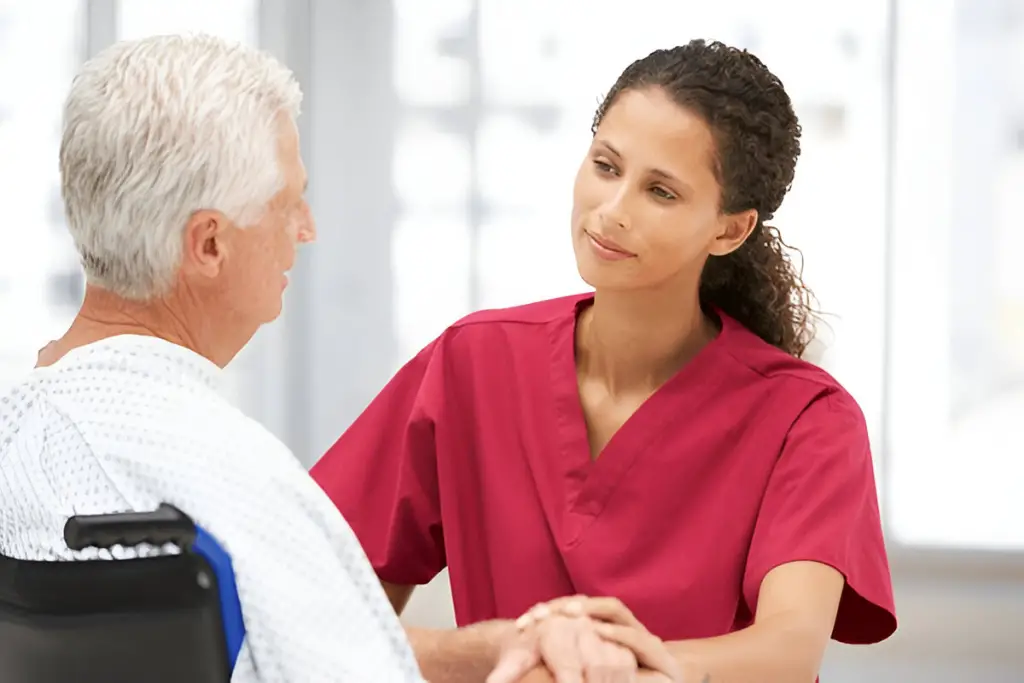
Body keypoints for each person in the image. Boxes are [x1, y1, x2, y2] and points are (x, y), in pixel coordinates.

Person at [312, 39, 897, 683]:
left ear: (729, 229)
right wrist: (484, 656)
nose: (611, 212)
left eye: (662, 192)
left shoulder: (808, 420)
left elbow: (786, 652)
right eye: (607, 166)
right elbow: (320, 615)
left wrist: (609, 669)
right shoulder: (471, 365)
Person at [0, 34, 424, 683]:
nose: (306, 228)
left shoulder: (20, 434)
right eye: (289, 202)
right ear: (208, 245)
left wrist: (475, 651)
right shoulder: (236, 480)